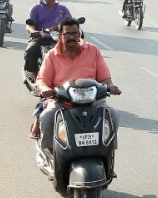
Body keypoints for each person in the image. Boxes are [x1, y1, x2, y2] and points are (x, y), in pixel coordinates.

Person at [32, 17, 122, 154]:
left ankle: (108, 155)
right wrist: (45, 90)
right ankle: (54, 159)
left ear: (79, 34)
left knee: (112, 115)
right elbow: (42, 80)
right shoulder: (52, 55)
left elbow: (105, 78)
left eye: (74, 33)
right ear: (60, 36)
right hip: (62, 102)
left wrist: (110, 86)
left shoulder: (92, 50)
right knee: (47, 118)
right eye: (67, 34)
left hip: (92, 101)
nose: (71, 37)